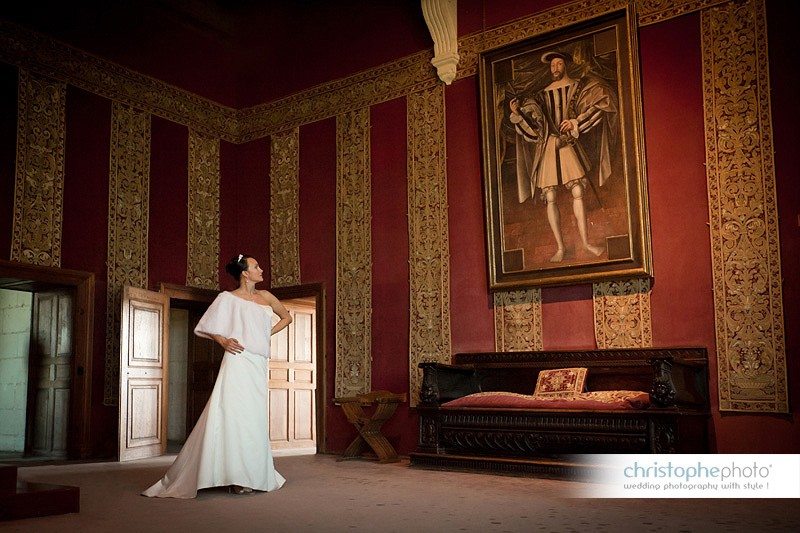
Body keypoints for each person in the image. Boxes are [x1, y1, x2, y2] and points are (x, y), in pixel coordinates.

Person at [142, 253, 292, 498]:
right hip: (237, 361)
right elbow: (205, 326)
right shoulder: (227, 298)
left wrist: (264, 335)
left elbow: (287, 318)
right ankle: (233, 475)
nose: (261, 269)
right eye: (256, 266)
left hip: (256, 362)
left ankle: (252, 472)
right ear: (245, 272)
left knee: (253, 417)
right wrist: (223, 340)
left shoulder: (265, 296)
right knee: (231, 413)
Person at [508, 50, 617, 262]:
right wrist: (519, 114)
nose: (555, 68)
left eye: (558, 64)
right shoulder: (540, 95)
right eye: (552, 65)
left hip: (569, 144)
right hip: (549, 146)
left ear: (565, 65)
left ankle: (586, 243)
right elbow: (536, 130)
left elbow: (598, 105)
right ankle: (560, 248)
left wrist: (575, 121)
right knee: (550, 197)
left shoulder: (578, 87)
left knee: (577, 191)